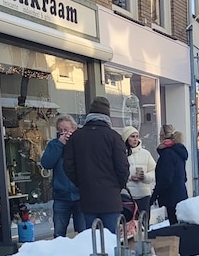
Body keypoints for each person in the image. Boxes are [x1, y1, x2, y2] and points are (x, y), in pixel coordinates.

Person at [63, 96, 129, 234]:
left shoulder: (77, 137)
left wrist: (81, 182)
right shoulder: (114, 137)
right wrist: (118, 186)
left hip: (88, 197)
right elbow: (123, 167)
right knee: (112, 240)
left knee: (91, 238)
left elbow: (68, 166)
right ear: (107, 115)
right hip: (110, 198)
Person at [40, 115, 84, 237]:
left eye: (66, 129)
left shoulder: (80, 143)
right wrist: (60, 144)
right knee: (59, 233)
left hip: (80, 195)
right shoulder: (54, 144)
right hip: (61, 196)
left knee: (83, 233)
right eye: (60, 130)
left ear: (74, 129)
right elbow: (46, 163)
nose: (64, 133)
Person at [152, 124, 189, 224]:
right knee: (181, 227)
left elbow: (165, 179)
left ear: (162, 137)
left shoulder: (167, 154)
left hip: (171, 198)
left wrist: (154, 195)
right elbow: (184, 177)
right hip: (181, 194)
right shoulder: (179, 151)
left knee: (174, 227)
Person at [121, 126, 156, 217]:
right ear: (126, 138)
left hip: (144, 194)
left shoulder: (146, 154)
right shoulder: (121, 154)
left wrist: (145, 177)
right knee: (129, 222)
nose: (135, 139)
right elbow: (117, 172)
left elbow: (153, 171)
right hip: (127, 195)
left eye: (137, 136)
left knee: (144, 222)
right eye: (132, 136)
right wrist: (129, 177)